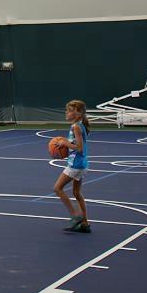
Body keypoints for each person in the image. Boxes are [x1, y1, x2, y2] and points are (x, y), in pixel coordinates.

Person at [53, 99, 91, 233]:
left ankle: (75, 216)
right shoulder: (79, 125)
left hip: (75, 164)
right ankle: (85, 224)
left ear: (78, 113)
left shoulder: (76, 127)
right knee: (76, 192)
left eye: (69, 111)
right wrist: (66, 142)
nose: (66, 113)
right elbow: (77, 144)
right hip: (81, 163)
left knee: (57, 188)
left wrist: (65, 143)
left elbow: (79, 148)